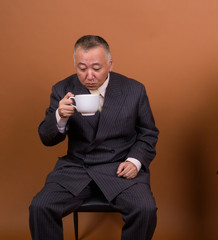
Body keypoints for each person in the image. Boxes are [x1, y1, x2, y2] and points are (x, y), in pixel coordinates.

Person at [29, 35, 159, 240]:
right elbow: (46, 138)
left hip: (119, 168)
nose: (89, 75)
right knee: (40, 207)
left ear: (110, 64)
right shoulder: (62, 89)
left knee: (145, 209)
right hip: (76, 168)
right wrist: (59, 117)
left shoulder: (134, 90)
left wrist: (135, 162)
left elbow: (148, 133)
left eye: (96, 68)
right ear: (74, 65)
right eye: (82, 68)